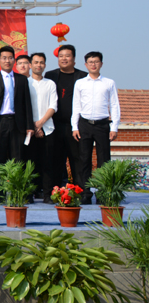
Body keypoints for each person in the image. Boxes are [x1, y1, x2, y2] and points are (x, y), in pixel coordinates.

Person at [71, 51, 120, 205]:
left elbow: (114, 105)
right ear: (86, 65)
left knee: (104, 160)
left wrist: (114, 127)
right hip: (84, 124)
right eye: (90, 62)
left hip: (102, 124)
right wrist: (74, 126)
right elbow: (76, 105)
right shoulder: (80, 83)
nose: (93, 64)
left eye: (96, 62)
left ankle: (103, 192)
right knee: (84, 160)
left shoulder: (109, 83)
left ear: (101, 64)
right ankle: (85, 193)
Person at [44, 44, 88, 187]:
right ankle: (56, 190)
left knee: (77, 159)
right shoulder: (50, 75)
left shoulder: (82, 77)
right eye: (61, 56)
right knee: (55, 159)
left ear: (74, 59)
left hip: (75, 126)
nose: (64, 59)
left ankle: (80, 189)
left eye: (67, 56)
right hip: (55, 125)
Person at [0, 46, 34, 165]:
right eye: (4, 58)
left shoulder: (22, 79)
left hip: (17, 122)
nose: (7, 61)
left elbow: (27, 104)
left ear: (14, 60)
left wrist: (29, 126)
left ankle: (16, 177)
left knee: (17, 156)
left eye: (10, 58)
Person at [27, 53, 58, 203]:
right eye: (36, 62)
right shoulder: (25, 83)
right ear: (30, 65)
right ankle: (29, 194)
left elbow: (53, 106)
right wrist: (33, 125)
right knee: (29, 163)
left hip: (48, 128)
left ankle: (47, 194)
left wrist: (40, 123)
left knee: (48, 163)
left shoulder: (50, 84)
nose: (38, 65)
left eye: (41, 62)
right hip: (29, 130)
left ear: (45, 65)